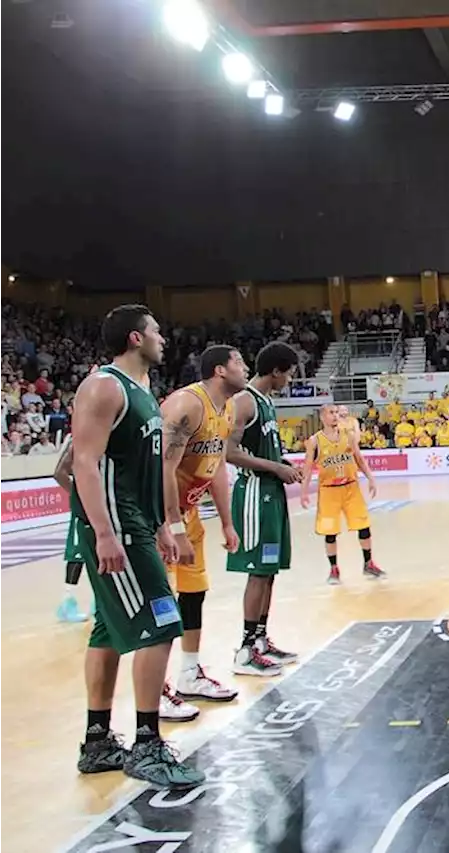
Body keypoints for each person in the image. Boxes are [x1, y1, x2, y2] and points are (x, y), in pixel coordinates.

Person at [72, 304, 204, 788]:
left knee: (107, 632)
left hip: (136, 523)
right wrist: (103, 532)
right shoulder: (103, 385)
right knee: (162, 622)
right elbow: (80, 463)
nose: (163, 338)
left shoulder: (142, 393)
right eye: (155, 332)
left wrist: (162, 525)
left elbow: (144, 469)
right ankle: (147, 745)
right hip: (116, 526)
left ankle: (98, 741)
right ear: (134, 338)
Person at [158, 345, 248, 717]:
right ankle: (157, 690)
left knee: (194, 594)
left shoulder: (226, 408)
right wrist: (173, 527)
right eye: (239, 362)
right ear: (219, 370)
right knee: (160, 604)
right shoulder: (186, 405)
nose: (245, 368)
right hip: (159, 520)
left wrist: (227, 521)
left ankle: (189, 674)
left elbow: (217, 468)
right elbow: (161, 468)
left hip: (189, 513)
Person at [225, 342, 304, 676]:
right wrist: (274, 468)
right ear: (275, 371)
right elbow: (228, 451)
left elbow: (259, 450)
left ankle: (260, 640)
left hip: (271, 494)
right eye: (288, 373)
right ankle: (244, 651)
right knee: (257, 571)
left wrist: (280, 463)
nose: (289, 379)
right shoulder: (244, 401)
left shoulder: (267, 402)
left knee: (269, 571)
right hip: (255, 493)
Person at [301, 403, 385, 584]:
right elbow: (307, 468)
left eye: (337, 412)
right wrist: (304, 491)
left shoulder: (349, 436)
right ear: (322, 417)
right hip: (329, 491)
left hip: (351, 487)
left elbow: (359, 459)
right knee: (330, 531)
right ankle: (334, 569)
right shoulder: (315, 441)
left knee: (363, 525)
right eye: (331, 412)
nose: (335, 415)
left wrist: (371, 478)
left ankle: (368, 563)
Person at [53, 439, 90, 623]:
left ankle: (99, 601)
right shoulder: (77, 441)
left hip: (103, 502)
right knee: (77, 555)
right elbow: (59, 473)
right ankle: (67, 602)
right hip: (84, 508)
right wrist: (78, 494)